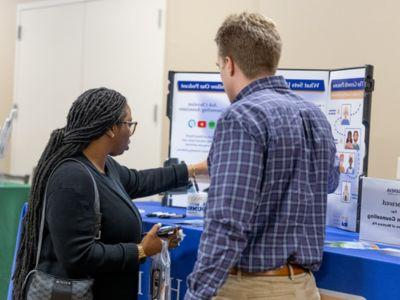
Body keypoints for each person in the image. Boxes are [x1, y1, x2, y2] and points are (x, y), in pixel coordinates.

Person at [185, 13, 339, 300]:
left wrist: (196, 294)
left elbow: (227, 221)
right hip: (303, 287)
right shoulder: (315, 116)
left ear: (229, 64)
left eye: (219, 67)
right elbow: (329, 183)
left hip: (248, 288)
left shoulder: (242, 117)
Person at [12, 88, 208, 300]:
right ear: (111, 129)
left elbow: (141, 180)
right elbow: (78, 256)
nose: (131, 131)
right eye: (129, 124)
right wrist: (141, 250)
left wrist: (196, 169)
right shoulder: (71, 178)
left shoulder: (106, 167)